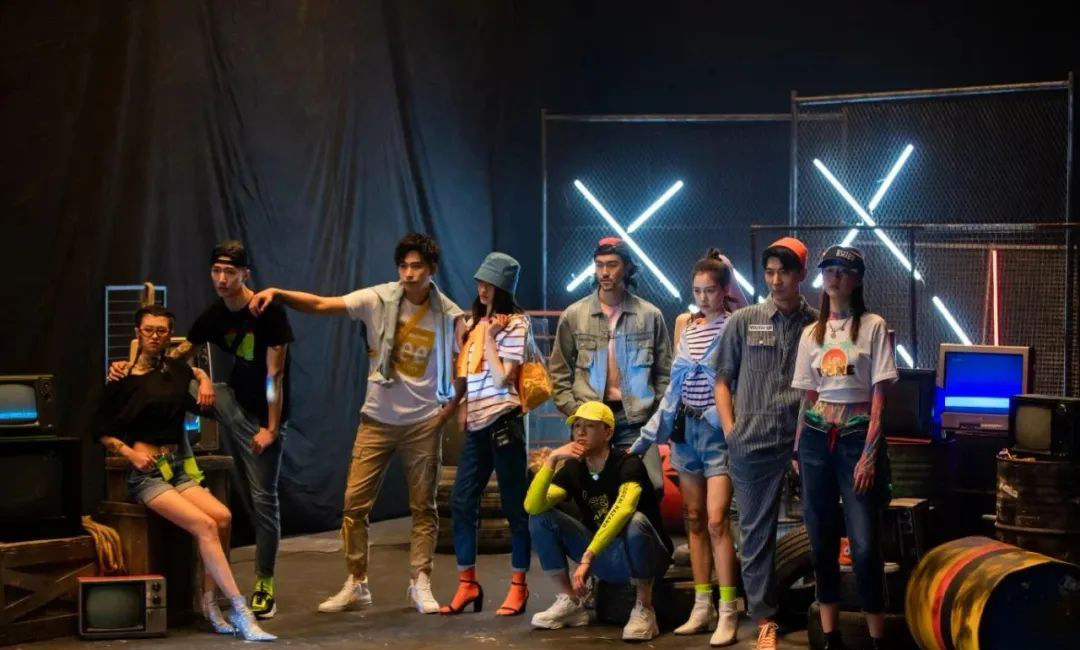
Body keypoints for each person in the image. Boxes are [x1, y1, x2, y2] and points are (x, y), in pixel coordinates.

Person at [249, 233, 463, 615]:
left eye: (417, 267)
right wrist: (280, 294)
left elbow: (464, 367)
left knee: (423, 507)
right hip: (376, 419)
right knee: (353, 505)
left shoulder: (450, 316)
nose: (409, 274)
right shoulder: (377, 299)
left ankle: (421, 581)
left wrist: (446, 414)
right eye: (403, 266)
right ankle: (357, 582)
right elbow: (321, 304)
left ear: (432, 270)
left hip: (422, 423)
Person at [109, 241, 293, 619]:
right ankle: (173, 459)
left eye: (230, 272)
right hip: (229, 400)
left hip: (262, 417)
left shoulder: (267, 312)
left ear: (245, 274)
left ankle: (264, 583)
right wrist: (130, 369)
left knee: (263, 500)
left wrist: (272, 429)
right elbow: (175, 359)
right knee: (167, 384)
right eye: (216, 271)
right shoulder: (214, 315)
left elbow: (274, 375)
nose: (222, 279)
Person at [95, 306, 276, 642]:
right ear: (137, 333)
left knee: (223, 517)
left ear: (169, 336)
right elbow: (101, 431)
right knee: (205, 525)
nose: (154, 336)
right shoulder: (122, 379)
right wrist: (131, 454)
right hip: (147, 475)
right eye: (148, 329)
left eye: (162, 330)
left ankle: (208, 602)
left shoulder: (177, 371)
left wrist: (204, 379)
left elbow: (194, 376)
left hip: (176, 468)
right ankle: (241, 609)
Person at [630, 248, 740, 645]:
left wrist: (725, 420)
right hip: (685, 432)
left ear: (725, 290)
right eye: (697, 291)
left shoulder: (735, 324)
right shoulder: (687, 327)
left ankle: (729, 608)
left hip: (718, 434)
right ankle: (702, 604)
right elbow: (674, 389)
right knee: (693, 518)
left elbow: (737, 379)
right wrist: (648, 436)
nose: (703, 298)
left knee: (717, 520)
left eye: (710, 290)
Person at [714, 237, 818, 650]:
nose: (776, 281)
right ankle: (764, 621)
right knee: (756, 535)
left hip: (803, 443)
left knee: (821, 527)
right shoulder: (744, 320)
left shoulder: (818, 324)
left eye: (784, 273)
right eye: (770, 273)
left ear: (801, 275)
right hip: (751, 442)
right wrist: (731, 431)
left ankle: (824, 613)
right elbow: (722, 379)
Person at [792, 246, 896, 650]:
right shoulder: (811, 334)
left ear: (857, 279)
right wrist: (798, 452)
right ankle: (830, 638)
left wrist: (869, 455)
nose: (834, 277)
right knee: (821, 542)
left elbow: (879, 396)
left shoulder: (872, 326)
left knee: (865, 546)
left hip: (856, 437)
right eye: (829, 270)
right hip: (817, 437)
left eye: (842, 271)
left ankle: (877, 640)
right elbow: (808, 396)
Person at [524, 401, 674, 642]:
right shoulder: (574, 469)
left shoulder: (628, 463)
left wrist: (588, 556)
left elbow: (623, 510)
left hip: (647, 556)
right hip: (605, 558)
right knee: (540, 518)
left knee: (635, 521)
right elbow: (532, 506)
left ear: (608, 433)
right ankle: (570, 601)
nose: (580, 432)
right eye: (577, 426)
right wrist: (551, 460)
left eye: (590, 426)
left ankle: (644, 608)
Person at [440, 252, 532, 616]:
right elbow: (467, 374)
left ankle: (519, 586)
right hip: (477, 425)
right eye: (480, 282)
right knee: (462, 500)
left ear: (502, 288)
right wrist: (461, 408)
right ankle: (467, 584)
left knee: (514, 506)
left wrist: (491, 337)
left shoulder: (516, 324)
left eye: (490, 284)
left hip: (504, 420)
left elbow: (500, 378)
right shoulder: (472, 323)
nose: (482, 289)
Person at [548, 237, 672, 492]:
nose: (604, 272)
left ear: (627, 268)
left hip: (635, 418)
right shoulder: (575, 315)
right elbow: (558, 371)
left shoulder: (649, 315)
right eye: (599, 265)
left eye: (612, 265)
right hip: (589, 417)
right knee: (588, 490)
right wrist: (576, 412)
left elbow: (665, 373)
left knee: (652, 487)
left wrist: (655, 414)